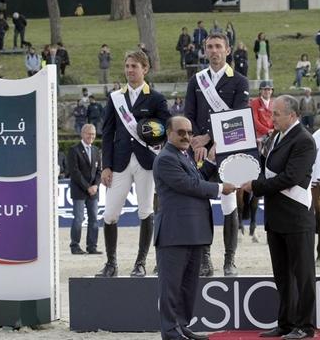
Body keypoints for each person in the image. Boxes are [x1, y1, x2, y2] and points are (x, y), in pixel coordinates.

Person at [241, 95, 317, 340]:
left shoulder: (304, 140)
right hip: (276, 216)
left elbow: (291, 177)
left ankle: (305, 326)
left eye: (276, 114)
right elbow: (266, 166)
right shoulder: (275, 137)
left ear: (292, 115)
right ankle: (285, 323)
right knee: (282, 275)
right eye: (272, 113)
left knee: (302, 275)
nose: (271, 117)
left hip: (296, 217)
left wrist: (257, 186)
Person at [154, 116, 235, 340]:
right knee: (171, 288)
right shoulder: (165, 158)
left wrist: (209, 161)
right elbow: (188, 185)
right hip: (174, 233)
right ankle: (171, 332)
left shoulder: (184, 155)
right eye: (181, 132)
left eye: (189, 132)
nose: (186, 136)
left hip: (193, 231)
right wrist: (220, 188)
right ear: (168, 133)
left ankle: (181, 326)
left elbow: (197, 177)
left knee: (188, 287)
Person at [98, 50, 171, 278]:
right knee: (110, 214)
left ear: (145, 69)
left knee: (145, 211)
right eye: (127, 66)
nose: (130, 70)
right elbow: (107, 133)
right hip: (119, 162)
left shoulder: (156, 99)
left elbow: (165, 131)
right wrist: (106, 165)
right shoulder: (115, 98)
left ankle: (140, 263)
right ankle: (111, 263)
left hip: (146, 162)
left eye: (134, 66)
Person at [184, 33, 249, 277]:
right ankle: (204, 258)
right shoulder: (196, 80)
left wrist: (211, 138)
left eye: (218, 47)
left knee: (229, 204)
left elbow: (239, 116)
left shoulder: (239, 81)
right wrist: (195, 139)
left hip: (228, 150)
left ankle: (230, 259)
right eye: (210, 47)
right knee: (201, 205)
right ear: (204, 50)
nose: (214, 51)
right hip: (199, 150)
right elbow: (188, 113)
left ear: (228, 50)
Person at [68, 124, 102, 255]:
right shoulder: (74, 150)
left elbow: (99, 171)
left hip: (93, 191)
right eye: (89, 134)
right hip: (79, 191)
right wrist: (87, 187)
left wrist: (96, 185)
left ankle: (92, 246)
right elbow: (74, 172)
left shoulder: (96, 150)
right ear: (82, 134)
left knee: (94, 219)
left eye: (93, 134)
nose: (91, 136)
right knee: (78, 218)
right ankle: (75, 245)